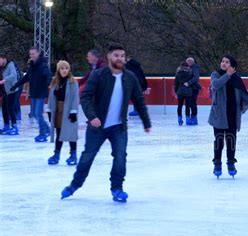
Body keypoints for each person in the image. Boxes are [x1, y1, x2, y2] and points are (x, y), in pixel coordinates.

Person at [60, 44, 152, 203]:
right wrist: (92, 116)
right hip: (97, 126)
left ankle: (117, 188)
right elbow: (86, 97)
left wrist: (146, 121)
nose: (120, 58)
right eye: (116, 55)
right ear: (109, 57)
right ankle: (74, 185)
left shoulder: (130, 77)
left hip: (119, 127)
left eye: (122, 56)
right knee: (88, 157)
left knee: (120, 157)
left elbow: (138, 100)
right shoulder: (98, 75)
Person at [208, 55, 248, 178]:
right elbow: (216, 85)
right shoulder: (215, 75)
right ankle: (217, 163)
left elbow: (245, 96)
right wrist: (227, 75)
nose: (223, 63)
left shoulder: (237, 80)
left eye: (227, 62)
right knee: (219, 141)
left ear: (232, 66)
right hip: (219, 115)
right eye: (222, 61)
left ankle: (231, 163)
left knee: (231, 141)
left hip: (232, 116)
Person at [11, 47, 52, 142]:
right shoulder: (32, 66)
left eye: (33, 54)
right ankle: (47, 130)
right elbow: (26, 78)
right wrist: (16, 85)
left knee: (38, 113)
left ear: (38, 54)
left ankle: (43, 133)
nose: (31, 56)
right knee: (34, 113)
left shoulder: (43, 65)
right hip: (33, 93)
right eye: (30, 54)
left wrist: (47, 83)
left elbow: (48, 75)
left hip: (41, 93)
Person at [46, 60, 80, 166]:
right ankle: (56, 155)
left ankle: (73, 155)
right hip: (58, 111)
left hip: (69, 111)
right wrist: (50, 110)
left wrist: (73, 111)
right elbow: (51, 98)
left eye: (66, 68)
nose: (64, 70)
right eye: (62, 68)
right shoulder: (55, 82)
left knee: (71, 134)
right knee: (59, 134)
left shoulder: (73, 82)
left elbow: (75, 97)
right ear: (58, 70)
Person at [0, 53, 21, 135]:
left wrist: (4, 80)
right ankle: (6, 126)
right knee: (4, 109)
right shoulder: (2, 67)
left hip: (13, 90)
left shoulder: (10, 64)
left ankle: (15, 127)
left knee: (10, 108)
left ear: (3, 58)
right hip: (5, 91)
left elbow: (14, 75)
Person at [174, 61, 194, 125]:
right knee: (187, 106)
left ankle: (179, 119)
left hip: (180, 91)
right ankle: (188, 120)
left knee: (180, 105)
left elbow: (176, 84)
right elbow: (192, 82)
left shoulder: (178, 73)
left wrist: (175, 91)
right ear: (187, 66)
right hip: (188, 92)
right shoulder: (190, 73)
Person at [184, 57, 201, 125]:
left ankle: (194, 117)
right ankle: (193, 117)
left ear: (190, 62)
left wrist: (188, 83)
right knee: (191, 103)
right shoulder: (190, 68)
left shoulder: (194, 68)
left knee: (192, 103)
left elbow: (196, 77)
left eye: (186, 62)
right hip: (191, 88)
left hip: (194, 88)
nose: (185, 64)